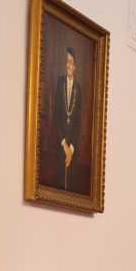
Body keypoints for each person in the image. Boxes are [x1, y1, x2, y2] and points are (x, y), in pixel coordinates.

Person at [51, 47, 82, 192]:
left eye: (71, 62)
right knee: (57, 185)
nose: (68, 65)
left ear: (75, 66)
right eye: (67, 62)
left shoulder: (78, 89)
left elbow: (77, 122)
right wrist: (64, 144)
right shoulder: (60, 82)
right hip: (60, 142)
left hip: (72, 147)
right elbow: (56, 116)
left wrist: (72, 149)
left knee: (70, 187)